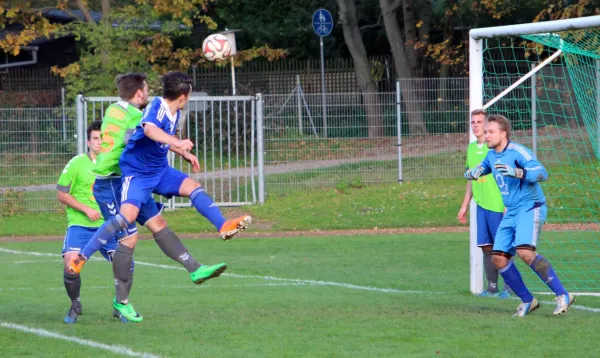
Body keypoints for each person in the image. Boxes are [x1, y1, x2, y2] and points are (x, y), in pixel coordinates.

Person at [72, 71, 251, 323]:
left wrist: (180, 151)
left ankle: (218, 233)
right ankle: (86, 262)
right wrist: (178, 143)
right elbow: (150, 130)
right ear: (184, 96)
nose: (147, 92)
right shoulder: (153, 108)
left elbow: (157, 138)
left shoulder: (168, 109)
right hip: (135, 175)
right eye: (144, 88)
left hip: (159, 171)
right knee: (128, 225)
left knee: (190, 189)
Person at [464, 114, 575, 317]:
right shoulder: (491, 155)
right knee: (498, 258)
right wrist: (474, 172)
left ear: (503, 133)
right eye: (486, 132)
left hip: (530, 206)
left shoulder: (518, 151)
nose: (486, 136)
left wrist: (517, 172)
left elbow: (541, 172)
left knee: (525, 253)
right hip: (511, 210)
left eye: (491, 132)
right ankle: (527, 300)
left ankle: (562, 294)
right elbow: (483, 167)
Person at [458, 109, 511, 298]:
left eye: (479, 122)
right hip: (481, 206)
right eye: (473, 122)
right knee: (486, 247)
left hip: (497, 205)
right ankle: (492, 288)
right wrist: (465, 205)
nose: (475, 125)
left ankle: (509, 287)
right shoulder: (472, 148)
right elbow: (471, 179)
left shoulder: (494, 148)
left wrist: (507, 204)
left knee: (502, 247)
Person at [57, 121, 106, 324]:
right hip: (80, 224)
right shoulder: (77, 163)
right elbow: (61, 193)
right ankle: (75, 304)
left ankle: (121, 304)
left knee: (126, 264)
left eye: (102, 138)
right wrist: (86, 209)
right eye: (95, 138)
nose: (99, 142)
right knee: (71, 267)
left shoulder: (116, 163)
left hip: (108, 226)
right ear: (88, 142)